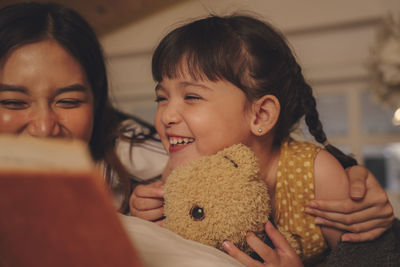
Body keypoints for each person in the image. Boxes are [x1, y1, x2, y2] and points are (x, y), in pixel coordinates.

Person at [130, 14, 396, 266]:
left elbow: (362, 256)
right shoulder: (180, 171)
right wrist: (143, 213)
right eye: (161, 98)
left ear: (260, 115)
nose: (166, 115)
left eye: (192, 97)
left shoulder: (314, 175)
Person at [0, 2, 167, 213]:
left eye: (68, 102)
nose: (43, 128)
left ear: (96, 99)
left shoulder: (133, 154)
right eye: (13, 103)